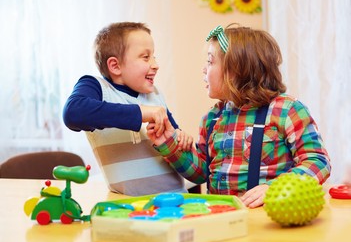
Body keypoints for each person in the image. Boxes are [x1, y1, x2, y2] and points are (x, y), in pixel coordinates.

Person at [147, 24, 331, 208]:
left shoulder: (286, 110)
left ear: (236, 70)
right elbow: (201, 173)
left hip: (268, 215)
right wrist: (168, 144)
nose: (204, 69)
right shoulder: (211, 118)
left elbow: (318, 161)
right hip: (223, 216)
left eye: (210, 62)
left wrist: (276, 188)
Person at [63, 22, 193, 196]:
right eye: (146, 57)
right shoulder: (96, 87)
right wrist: (140, 112)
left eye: (154, 56)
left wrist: (182, 139)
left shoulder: (155, 95)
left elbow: (174, 139)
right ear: (115, 66)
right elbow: (73, 112)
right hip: (127, 208)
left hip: (177, 200)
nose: (155, 65)